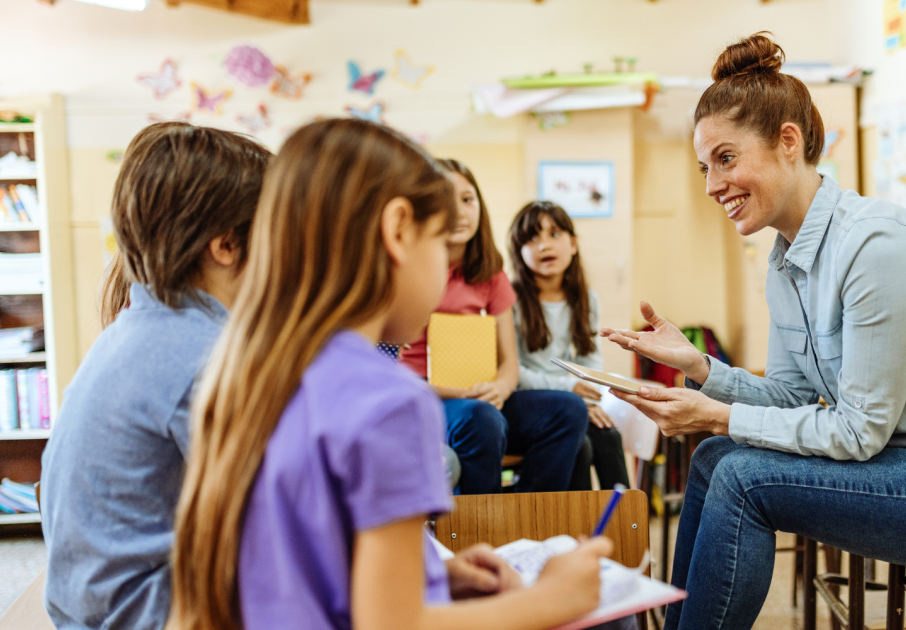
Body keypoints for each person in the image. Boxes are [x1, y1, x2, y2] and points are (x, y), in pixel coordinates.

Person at [601, 33, 906, 630]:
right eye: (703, 168)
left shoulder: (875, 246)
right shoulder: (784, 261)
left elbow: (858, 431)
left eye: (725, 159)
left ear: (788, 142)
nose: (710, 186)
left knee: (743, 476)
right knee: (717, 458)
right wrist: (700, 369)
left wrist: (714, 413)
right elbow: (794, 400)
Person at [169, 119, 611, 630]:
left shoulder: (248, 366)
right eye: (440, 243)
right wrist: (554, 598)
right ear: (399, 230)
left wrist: (436, 576)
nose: (445, 266)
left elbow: (309, 574)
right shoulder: (387, 398)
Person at [40, 122, 271, 630]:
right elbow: (280, 515)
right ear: (227, 245)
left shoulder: (137, 328)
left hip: (91, 607)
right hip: (142, 614)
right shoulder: (202, 354)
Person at [398, 159, 587, 494]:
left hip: (481, 397)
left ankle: (529, 523)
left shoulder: (491, 275)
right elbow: (387, 369)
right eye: (446, 199)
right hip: (425, 399)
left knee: (568, 409)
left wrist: (499, 388)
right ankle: (479, 533)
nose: (461, 211)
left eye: (468, 199)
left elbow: (509, 364)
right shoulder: (404, 268)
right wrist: (463, 393)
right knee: (482, 419)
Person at [508, 201, 630, 491]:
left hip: (571, 401)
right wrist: (570, 391)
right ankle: (575, 532)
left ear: (573, 244)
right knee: (582, 446)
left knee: (608, 436)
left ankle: (628, 530)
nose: (543, 246)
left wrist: (588, 400)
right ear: (519, 252)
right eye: (531, 239)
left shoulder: (585, 299)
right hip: (527, 401)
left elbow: (591, 361)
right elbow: (514, 371)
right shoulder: (510, 299)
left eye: (554, 234)